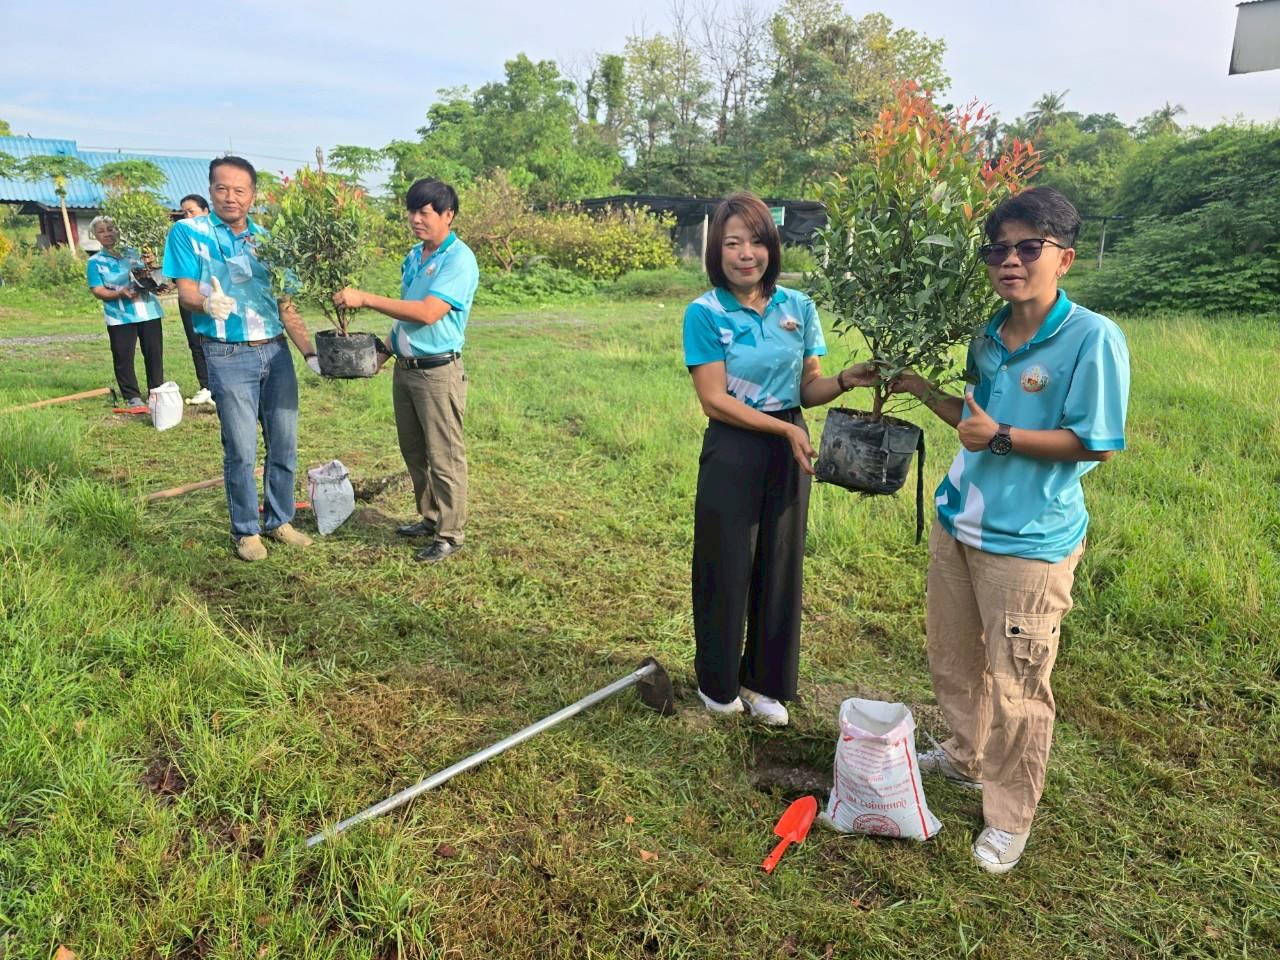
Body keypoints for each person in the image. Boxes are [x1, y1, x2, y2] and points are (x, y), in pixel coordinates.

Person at [891, 186, 1130, 874]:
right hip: (959, 524)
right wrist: (916, 388)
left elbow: (1098, 441)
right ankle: (964, 757)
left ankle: (1008, 817)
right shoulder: (987, 334)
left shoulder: (1091, 337)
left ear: (1066, 258)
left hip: (1027, 545)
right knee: (955, 658)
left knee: (1019, 684)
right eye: (998, 249)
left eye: (1030, 248)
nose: (1011, 261)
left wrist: (999, 438)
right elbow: (975, 424)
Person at [682, 191, 876, 727]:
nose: (746, 254)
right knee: (727, 563)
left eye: (756, 241)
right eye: (732, 243)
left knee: (780, 561)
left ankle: (765, 682)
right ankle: (717, 684)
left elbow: (807, 388)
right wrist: (782, 430)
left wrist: (843, 381)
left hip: (792, 441)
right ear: (716, 252)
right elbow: (715, 398)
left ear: (772, 245)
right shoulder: (704, 313)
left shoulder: (799, 308)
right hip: (734, 447)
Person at [162, 155, 321, 562]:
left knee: (284, 442)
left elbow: (286, 304)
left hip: (275, 351)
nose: (230, 197)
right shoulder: (188, 232)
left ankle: (280, 520)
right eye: (221, 188)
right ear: (211, 189)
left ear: (252, 195)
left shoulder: (270, 240)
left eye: (239, 190)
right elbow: (184, 293)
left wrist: (310, 354)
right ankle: (246, 530)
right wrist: (206, 303)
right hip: (227, 353)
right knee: (241, 448)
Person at [333, 177, 479, 564]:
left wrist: (365, 298)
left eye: (424, 212)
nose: (416, 219)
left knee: (444, 455)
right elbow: (405, 313)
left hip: (437, 373)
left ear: (448, 215)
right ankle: (430, 519)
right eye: (411, 211)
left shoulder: (458, 259)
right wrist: (384, 351)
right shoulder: (415, 255)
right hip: (406, 369)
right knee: (414, 452)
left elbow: (429, 313)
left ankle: (450, 532)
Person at [86, 215, 165, 408]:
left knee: (154, 353)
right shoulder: (95, 262)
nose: (107, 234)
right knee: (123, 356)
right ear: (95, 236)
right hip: (119, 316)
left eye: (111, 229)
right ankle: (132, 396)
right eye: (101, 231)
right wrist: (119, 293)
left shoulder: (133, 253)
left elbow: (150, 277)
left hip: (148, 312)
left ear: (118, 231)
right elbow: (97, 290)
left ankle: (157, 391)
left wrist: (152, 269)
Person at [176, 193, 214, 406]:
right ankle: (206, 385)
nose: (187, 215)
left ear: (205, 211)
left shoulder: (215, 237)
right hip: (191, 298)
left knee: (214, 340)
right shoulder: (182, 237)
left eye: (192, 211)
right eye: (184, 212)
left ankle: (218, 385)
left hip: (214, 297)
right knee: (195, 342)